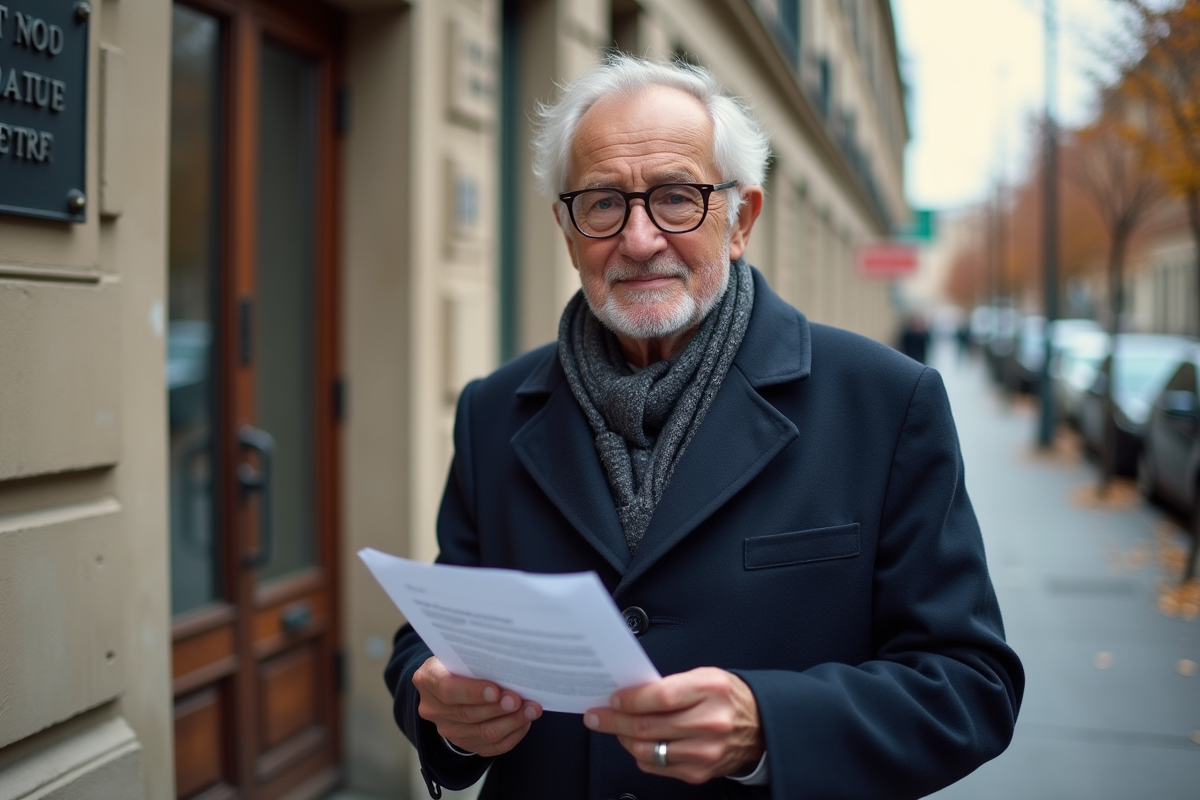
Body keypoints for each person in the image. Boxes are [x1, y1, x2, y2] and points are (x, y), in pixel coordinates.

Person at [385, 54, 1023, 800]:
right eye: (602, 204)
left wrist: (769, 726)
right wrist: (445, 714)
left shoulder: (885, 401)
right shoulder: (493, 410)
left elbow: (971, 685)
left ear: (741, 219)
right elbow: (433, 636)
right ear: (567, 231)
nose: (640, 239)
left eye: (676, 198)